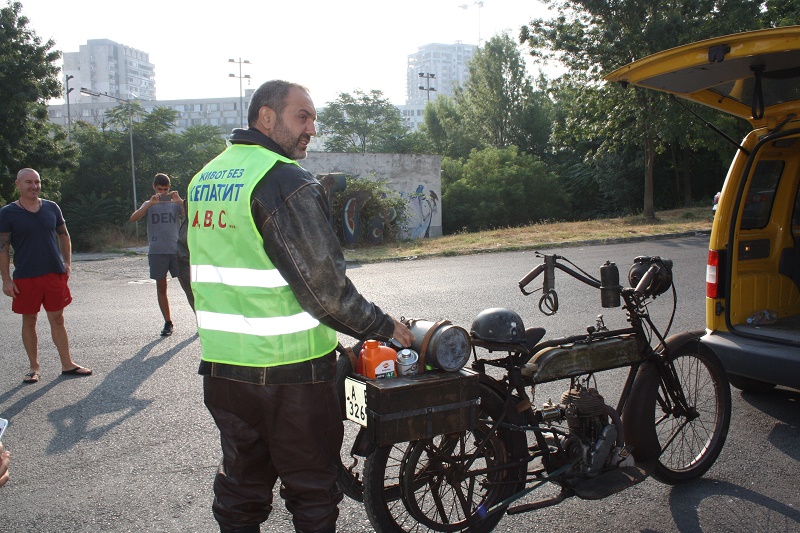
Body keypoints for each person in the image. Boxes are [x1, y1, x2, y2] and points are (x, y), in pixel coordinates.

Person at [182, 80, 414, 533]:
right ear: (266, 118)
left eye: (313, 118)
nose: (311, 129)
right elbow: (325, 289)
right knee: (311, 492)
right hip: (291, 377)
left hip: (223, 371)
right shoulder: (283, 179)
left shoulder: (205, 178)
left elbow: (190, 271)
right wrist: (383, 326)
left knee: (241, 490)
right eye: (301, 117)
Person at [0, 168, 92, 384]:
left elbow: (64, 234)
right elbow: (2, 248)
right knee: (29, 320)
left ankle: (67, 364)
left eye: (37, 182)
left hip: (53, 273)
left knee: (57, 319)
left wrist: (67, 262)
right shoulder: (7, 213)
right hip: (25, 276)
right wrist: (6, 279)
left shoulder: (52, 207)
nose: (34, 186)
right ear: (18, 184)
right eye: (28, 182)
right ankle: (34, 367)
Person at [129, 173, 184, 336]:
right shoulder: (149, 203)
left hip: (176, 250)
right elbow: (133, 218)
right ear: (154, 187)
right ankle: (168, 322)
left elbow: (191, 214)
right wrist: (149, 205)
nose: (162, 192)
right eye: (159, 189)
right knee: (161, 286)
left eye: (165, 189)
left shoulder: (175, 204)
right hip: (157, 251)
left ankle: (199, 320)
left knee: (186, 285)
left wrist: (179, 200)